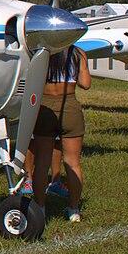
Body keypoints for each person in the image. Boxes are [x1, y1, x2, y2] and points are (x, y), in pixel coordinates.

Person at [29, 46, 91, 222]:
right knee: (73, 162)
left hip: (44, 105)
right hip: (69, 104)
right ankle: (73, 209)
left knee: (42, 163)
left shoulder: (40, 51)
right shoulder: (78, 53)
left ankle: (40, 207)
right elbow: (86, 84)